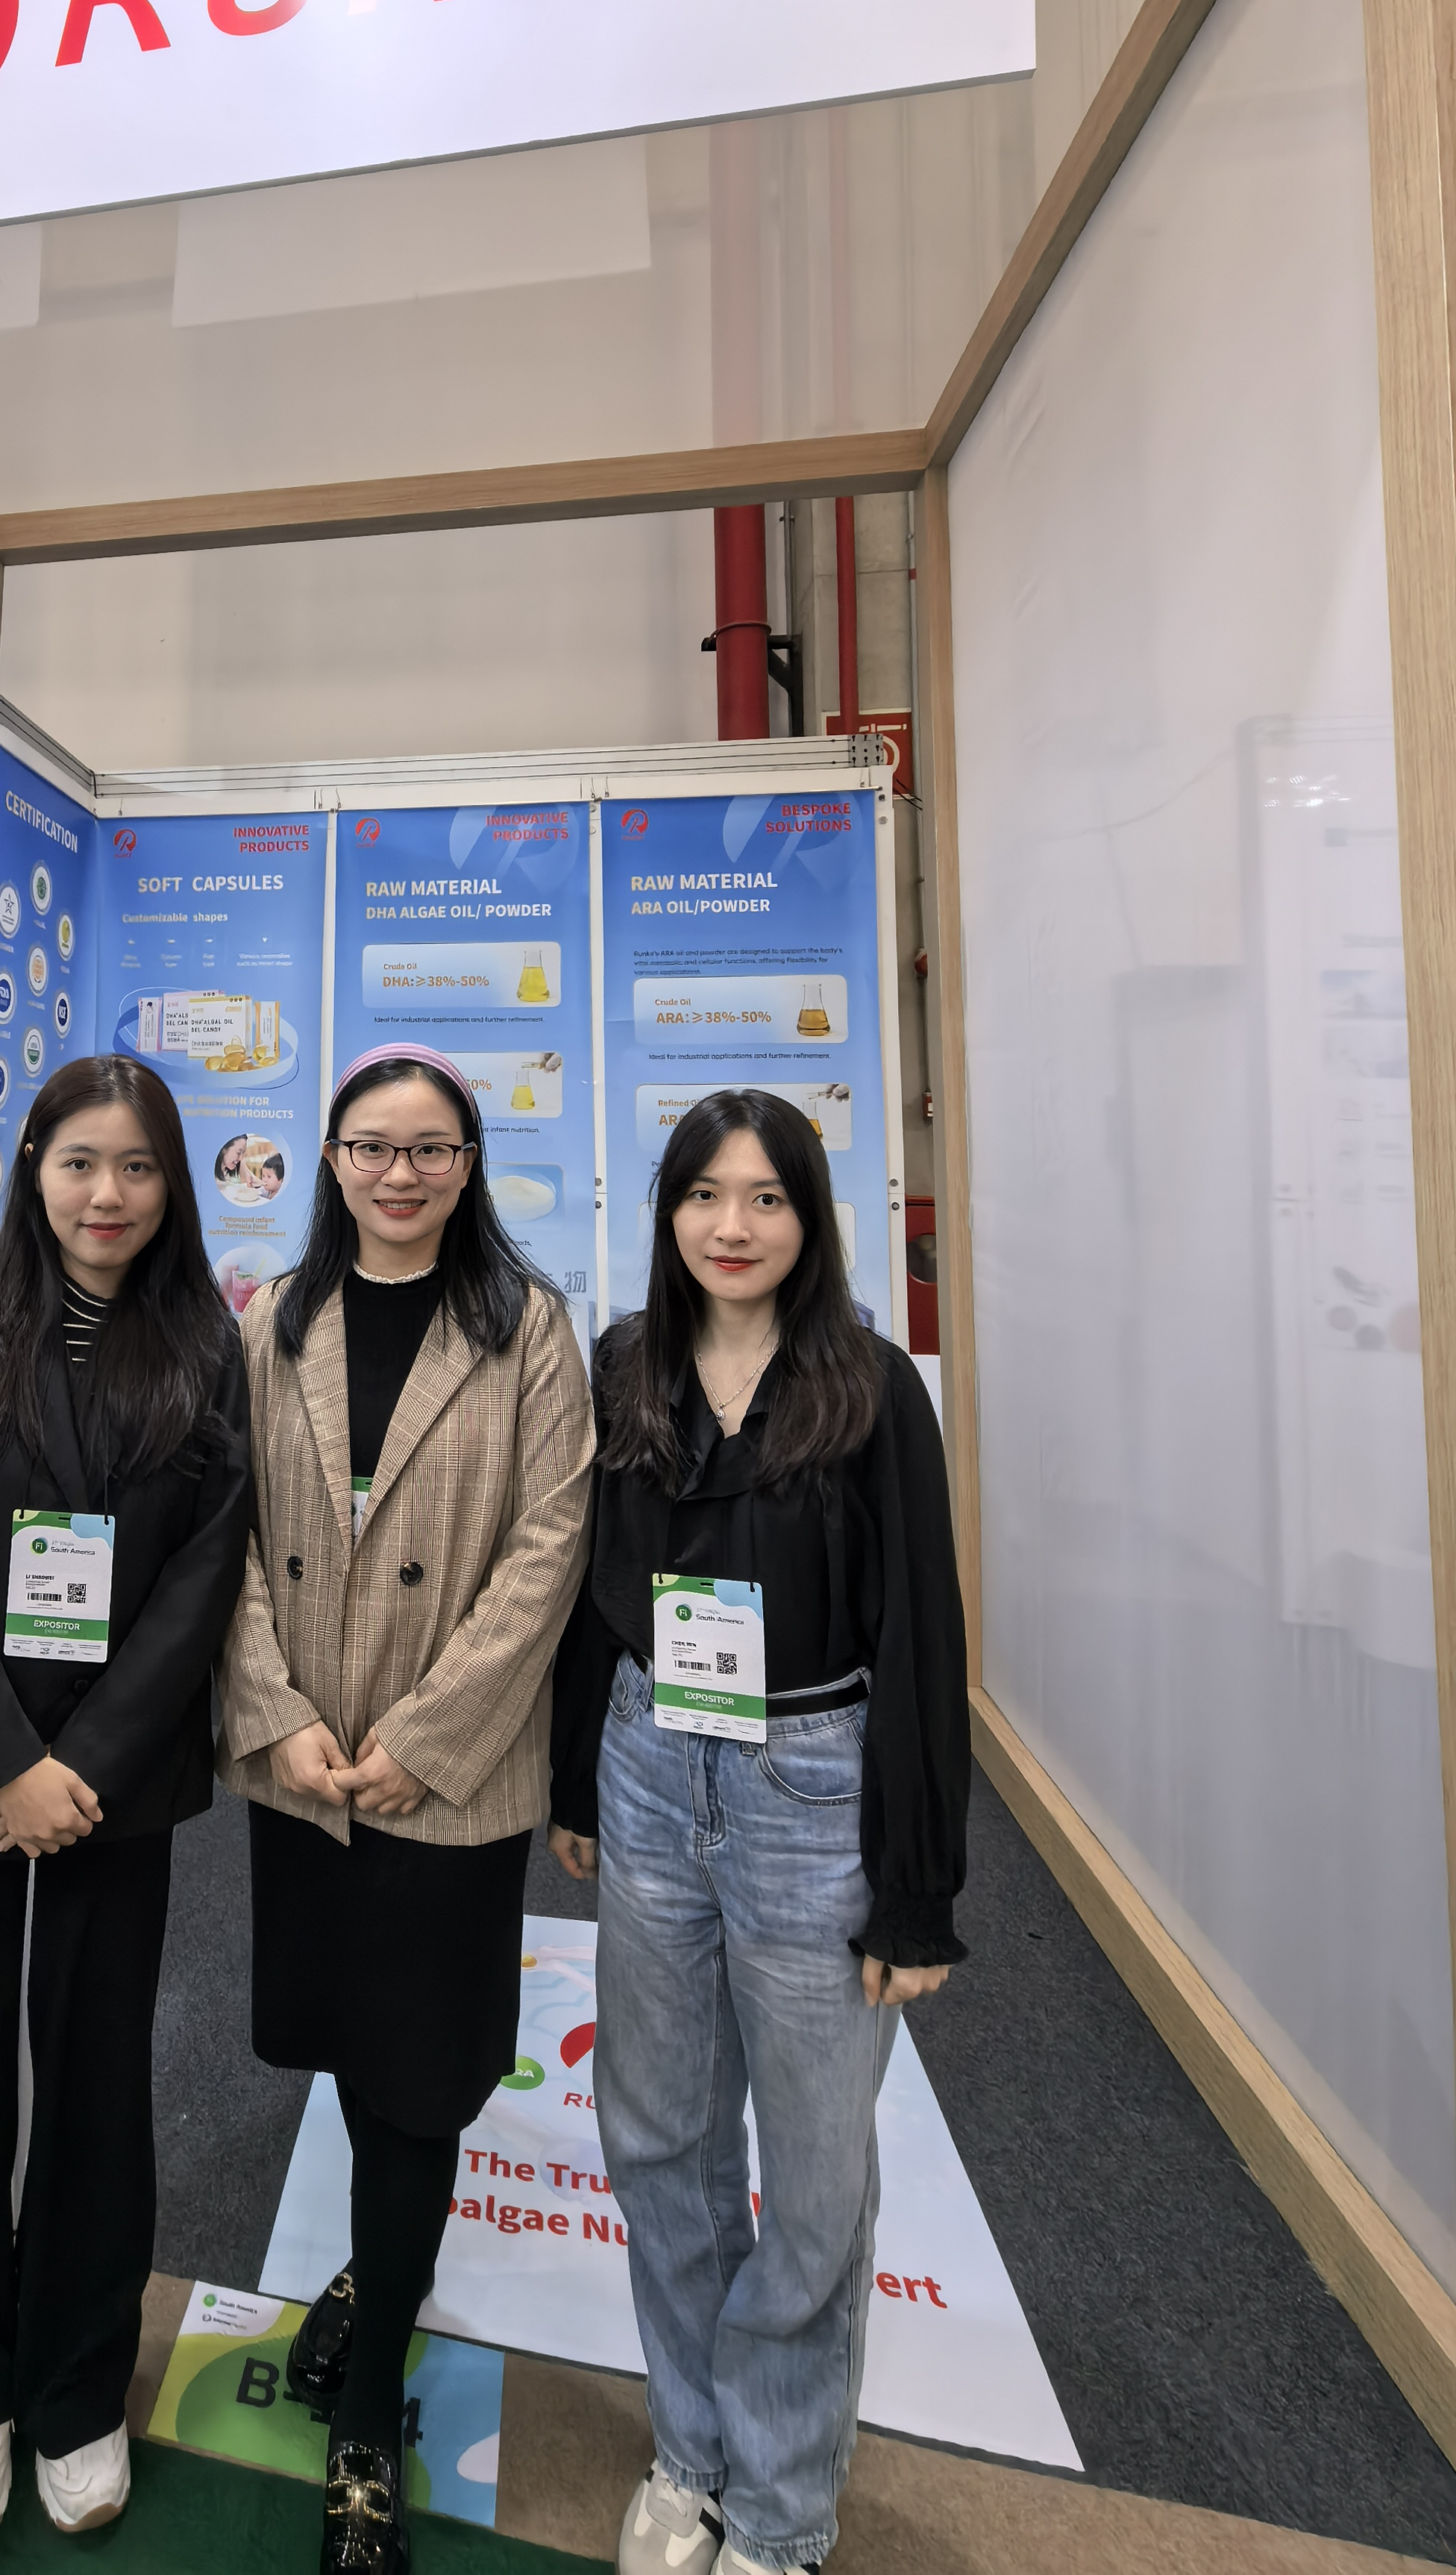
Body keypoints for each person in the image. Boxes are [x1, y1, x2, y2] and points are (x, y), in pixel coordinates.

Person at [547, 1091, 968, 2575]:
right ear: (667, 1211)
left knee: (814, 2177)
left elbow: (922, 1637)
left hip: (814, 1788)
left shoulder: (869, 1387)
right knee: (658, 2136)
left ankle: (781, 2512)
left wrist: (915, 1891)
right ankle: (694, 2454)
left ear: (810, 1217)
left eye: (766, 1198)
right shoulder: (627, 1369)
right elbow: (593, 1590)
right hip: (651, 1765)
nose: (733, 1226)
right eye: (704, 1196)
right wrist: (577, 1784)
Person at [219, 1043, 592, 2575]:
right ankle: (382, 2267)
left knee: (421, 2081)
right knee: (346, 2045)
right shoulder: (274, 1319)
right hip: (309, 1770)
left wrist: (428, 1740)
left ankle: (370, 2409)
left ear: (469, 1164)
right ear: (329, 1159)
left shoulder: (528, 1327)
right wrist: (280, 1715)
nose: (399, 1172)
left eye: (431, 1148)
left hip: (453, 1776)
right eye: (371, 1146)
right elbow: (230, 1541)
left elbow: (549, 1553)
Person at [0, 1055, 251, 2547]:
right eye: (81, 1162)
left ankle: (77, 2388)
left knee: (97, 2084)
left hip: (115, 1782)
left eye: (139, 1166)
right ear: (33, 1168)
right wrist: (6, 1761)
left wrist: (79, 1768)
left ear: (172, 1186)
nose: (109, 1194)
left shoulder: (206, 1351)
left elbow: (203, 1580)